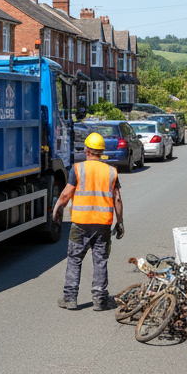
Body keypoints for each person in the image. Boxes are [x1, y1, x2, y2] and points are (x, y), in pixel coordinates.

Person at [52, 131, 124, 311]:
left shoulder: (77, 169)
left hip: (80, 224)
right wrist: (120, 222)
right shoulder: (111, 171)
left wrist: (56, 211)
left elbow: (66, 194)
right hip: (103, 225)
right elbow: (117, 199)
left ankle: (70, 298)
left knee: (74, 259)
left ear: (86, 150)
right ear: (101, 152)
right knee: (100, 260)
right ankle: (100, 299)